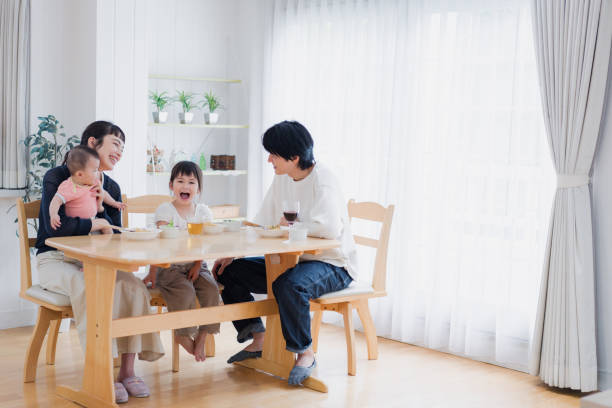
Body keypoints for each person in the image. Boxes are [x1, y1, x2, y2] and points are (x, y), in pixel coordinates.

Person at [213, 120, 358, 386]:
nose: (269, 159)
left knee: (288, 286)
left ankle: (305, 352)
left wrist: (290, 225)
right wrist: (234, 253)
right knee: (229, 271)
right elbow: (262, 220)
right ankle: (258, 338)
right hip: (294, 261)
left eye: (273, 154)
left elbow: (328, 229)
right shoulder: (282, 178)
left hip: (332, 264)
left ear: (294, 156)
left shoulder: (323, 180)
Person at [35, 120, 164, 404]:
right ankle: (101, 372)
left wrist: (104, 218)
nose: (120, 152)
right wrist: (97, 222)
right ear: (93, 143)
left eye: (123, 148)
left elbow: (114, 234)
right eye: (115, 144)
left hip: (98, 260)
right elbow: (54, 226)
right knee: (87, 286)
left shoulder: (112, 187)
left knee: (133, 287)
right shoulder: (58, 177)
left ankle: (127, 372)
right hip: (55, 259)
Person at [143, 161, 221, 362]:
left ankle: (203, 335)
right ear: (171, 185)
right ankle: (183, 334)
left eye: (191, 182)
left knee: (211, 289)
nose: (185, 186)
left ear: (198, 189)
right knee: (185, 291)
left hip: (196, 263)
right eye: (180, 181)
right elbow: (159, 242)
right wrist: (152, 271)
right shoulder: (164, 210)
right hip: (168, 266)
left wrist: (197, 264)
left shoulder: (203, 212)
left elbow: (204, 243)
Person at [49, 145, 125, 233]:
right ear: (80, 174)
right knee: (103, 223)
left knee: (105, 225)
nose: (98, 173)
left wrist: (114, 203)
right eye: (95, 170)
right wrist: (53, 214)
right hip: (76, 225)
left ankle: (110, 245)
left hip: (92, 220)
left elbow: (104, 194)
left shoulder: (93, 183)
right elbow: (56, 201)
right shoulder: (69, 186)